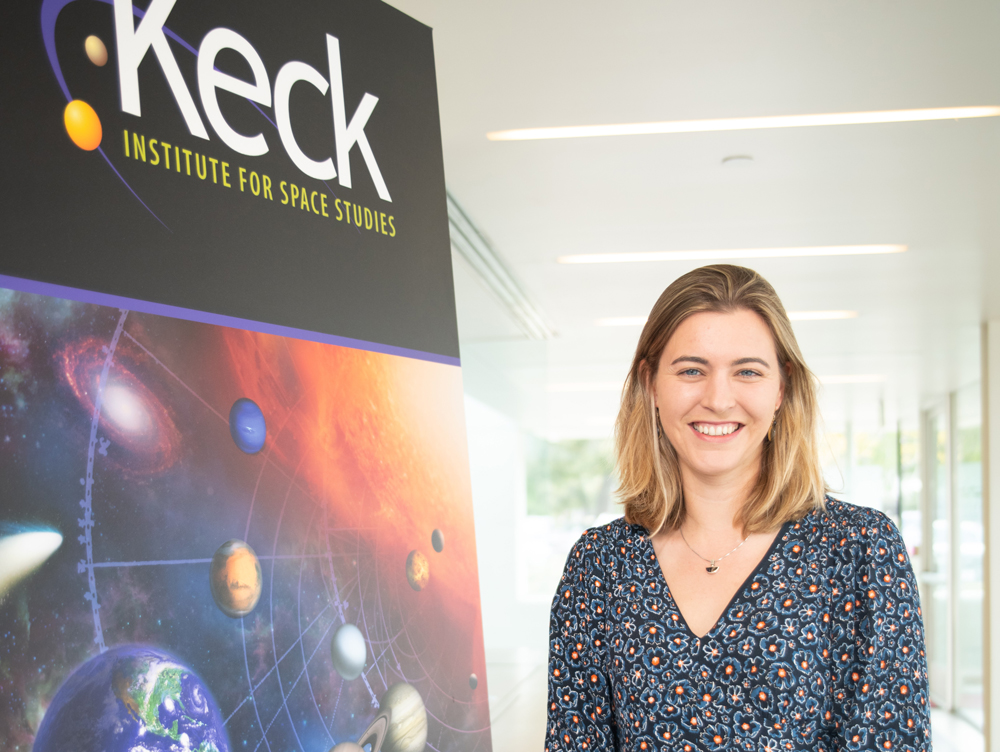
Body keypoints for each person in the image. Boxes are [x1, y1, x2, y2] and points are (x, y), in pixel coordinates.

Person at [545, 265, 930, 751]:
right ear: (651, 384)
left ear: (782, 389)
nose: (718, 399)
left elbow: (889, 739)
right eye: (691, 371)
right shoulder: (599, 565)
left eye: (747, 371)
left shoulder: (859, 550)